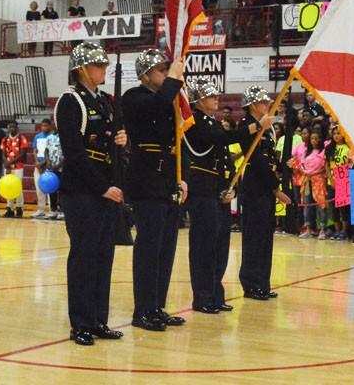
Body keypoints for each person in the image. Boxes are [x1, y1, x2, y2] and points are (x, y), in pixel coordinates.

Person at [55, 42, 128, 346]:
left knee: (103, 257)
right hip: (83, 191)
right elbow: (75, 154)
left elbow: (105, 148)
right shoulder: (72, 101)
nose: (104, 70)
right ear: (82, 69)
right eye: (99, 66)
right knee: (84, 259)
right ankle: (81, 323)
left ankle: (98, 319)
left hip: (106, 190)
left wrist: (120, 141)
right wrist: (102, 187)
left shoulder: (104, 102)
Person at [182, 78, 264, 313]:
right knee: (204, 245)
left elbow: (224, 157)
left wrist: (230, 187)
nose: (216, 100)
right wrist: (250, 128)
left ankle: (216, 294)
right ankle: (203, 297)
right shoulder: (194, 122)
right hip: (201, 188)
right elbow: (215, 140)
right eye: (211, 96)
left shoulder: (214, 122)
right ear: (198, 101)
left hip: (217, 188)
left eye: (217, 96)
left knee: (220, 244)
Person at [122, 49, 187, 331]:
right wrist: (173, 79)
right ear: (146, 75)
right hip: (146, 179)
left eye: (165, 69)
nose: (165, 74)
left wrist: (180, 178)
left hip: (166, 180)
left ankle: (157, 306)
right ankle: (143, 310)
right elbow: (157, 107)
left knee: (166, 249)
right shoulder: (134, 97)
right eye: (160, 70)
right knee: (148, 248)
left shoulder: (166, 100)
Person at [237, 85, 293, 299]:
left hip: (266, 186)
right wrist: (275, 188)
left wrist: (281, 168)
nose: (267, 105)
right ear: (251, 105)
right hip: (255, 186)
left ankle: (263, 282)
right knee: (254, 237)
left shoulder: (267, 126)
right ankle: (251, 284)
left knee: (265, 237)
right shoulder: (247, 125)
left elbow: (270, 157)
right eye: (262, 102)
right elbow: (256, 160)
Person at [1, 123, 27, 218]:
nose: (11, 129)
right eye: (10, 127)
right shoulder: (5, 139)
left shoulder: (21, 138)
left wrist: (11, 162)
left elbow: (22, 154)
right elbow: (3, 153)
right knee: (8, 187)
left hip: (18, 166)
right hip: (8, 167)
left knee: (18, 187)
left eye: (13, 127)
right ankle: (10, 208)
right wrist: (6, 163)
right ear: (8, 128)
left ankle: (19, 208)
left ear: (17, 128)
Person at [31, 119, 52, 218]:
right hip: (38, 166)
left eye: (46, 126)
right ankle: (40, 209)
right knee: (39, 188)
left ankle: (52, 209)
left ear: (50, 126)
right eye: (42, 126)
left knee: (50, 189)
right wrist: (37, 163)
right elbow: (35, 150)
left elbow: (50, 153)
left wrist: (44, 163)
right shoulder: (37, 137)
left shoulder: (52, 137)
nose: (44, 128)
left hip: (48, 166)